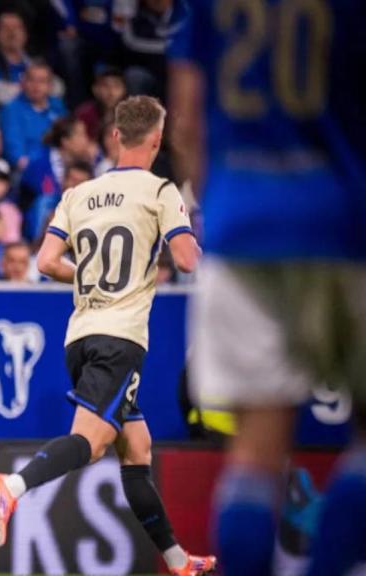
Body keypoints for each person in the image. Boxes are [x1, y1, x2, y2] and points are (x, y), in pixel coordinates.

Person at [169, 3, 366, 574]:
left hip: (241, 228)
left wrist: (229, 206)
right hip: (342, 223)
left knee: (255, 454)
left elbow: (186, 121)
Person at [0, 95, 214, 576]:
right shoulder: (160, 190)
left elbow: (46, 261)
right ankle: (13, 486)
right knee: (90, 443)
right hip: (119, 338)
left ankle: (178, 561)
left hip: (80, 335)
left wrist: (89, 276)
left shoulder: (78, 194)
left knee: (137, 447)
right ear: (157, 140)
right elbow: (187, 260)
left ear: (115, 136)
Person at [0, 59, 67, 171]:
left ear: (50, 85)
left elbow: (68, 135)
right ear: (23, 83)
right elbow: (16, 154)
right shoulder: (12, 110)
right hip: (29, 169)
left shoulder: (57, 106)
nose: (36, 86)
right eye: (31, 80)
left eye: (42, 81)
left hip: (60, 165)